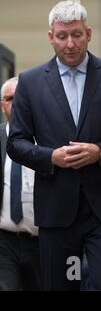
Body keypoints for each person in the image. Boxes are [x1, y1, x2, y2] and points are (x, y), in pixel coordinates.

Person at [6, 0, 101, 290]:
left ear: (89, 33)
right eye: (62, 36)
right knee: (64, 284)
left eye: (77, 34)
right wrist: (50, 157)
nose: (70, 43)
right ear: (50, 37)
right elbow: (16, 142)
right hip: (57, 209)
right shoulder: (30, 83)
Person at [0, 77, 41, 291]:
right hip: (3, 242)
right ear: (2, 105)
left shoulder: (48, 140)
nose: (15, 104)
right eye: (10, 99)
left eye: (21, 98)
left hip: (41, 241)